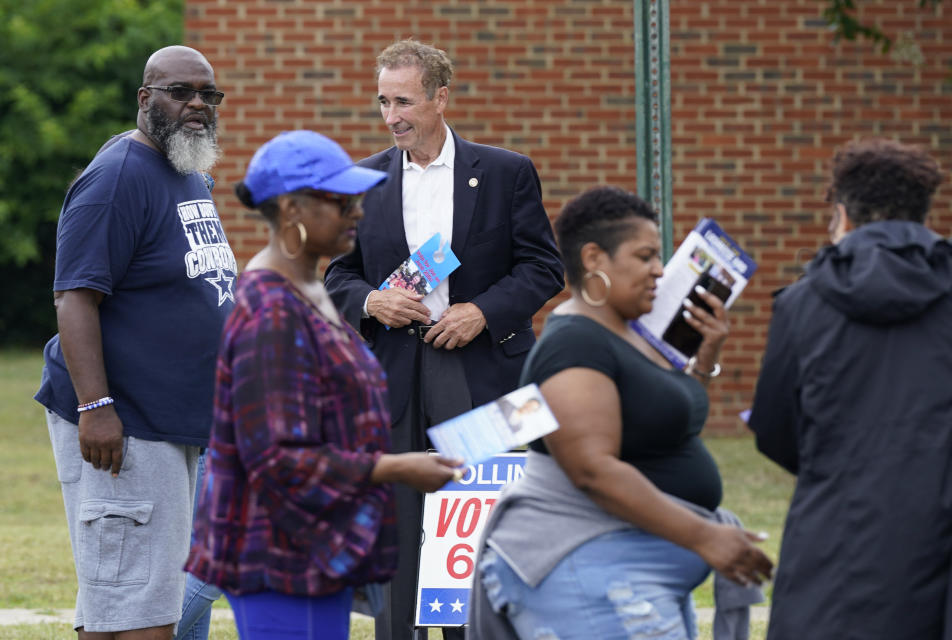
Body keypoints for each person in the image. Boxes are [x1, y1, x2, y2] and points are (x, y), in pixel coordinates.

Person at [324, 39, 564, 640]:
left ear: (440, 98)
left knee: (472, 521)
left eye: (403, 101)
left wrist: (481, 311)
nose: (391, 116)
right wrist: (372, 301)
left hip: (482, 371)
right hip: (393, 373)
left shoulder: (506, 172)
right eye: (383, 102)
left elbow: (543, 268)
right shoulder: (363, 179)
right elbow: (336, 275)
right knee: (397, 521)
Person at [184, 130, 464, 640]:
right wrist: (398, 467)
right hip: (279, 555)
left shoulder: (309, 288)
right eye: (342, 200)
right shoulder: (271, 310)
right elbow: (277, 457)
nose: (358, 210)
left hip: (317, 547)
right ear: (291, 209)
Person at [468, 186, 774, 640]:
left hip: (626, 573)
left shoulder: (629, 335)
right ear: (594, 259)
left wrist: (704, 360)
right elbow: (592, 470)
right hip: (584, 569)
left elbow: (662, 429)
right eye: (646, 255)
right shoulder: (574, 343)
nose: (659, 269)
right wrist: (705, 537)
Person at [34, 46, 235, 639]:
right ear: (146, 98)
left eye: (208, 94)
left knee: (165, 593)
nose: (196, 104)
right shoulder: (119, 176)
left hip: (179, 423)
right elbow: (74, 296)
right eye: (180, 91)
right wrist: (97, 407)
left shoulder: (185, 170)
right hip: (126, 425)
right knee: (130, 605)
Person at [749, 138, 952, 639]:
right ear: (924, 215)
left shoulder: (801, 305)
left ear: (842, 216)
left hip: (836, 545)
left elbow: (775, 430)